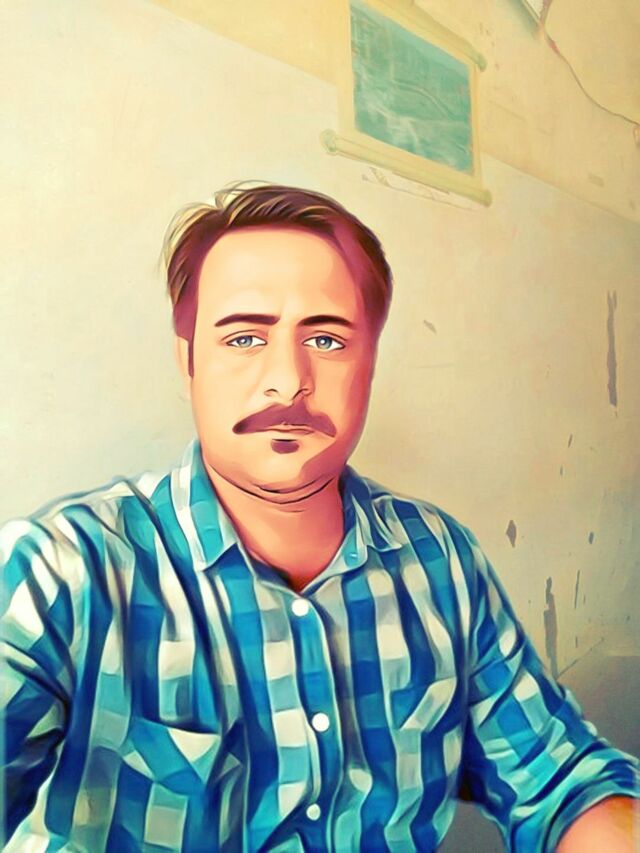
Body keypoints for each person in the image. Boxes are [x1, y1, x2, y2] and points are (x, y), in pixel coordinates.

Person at [1, 183, 637, 852]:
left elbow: (561, 779)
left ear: (370, 364)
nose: (288, 381)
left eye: (327, 339)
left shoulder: (439, 559)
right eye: (245, 337)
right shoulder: (62, 574)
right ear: (187, 362)